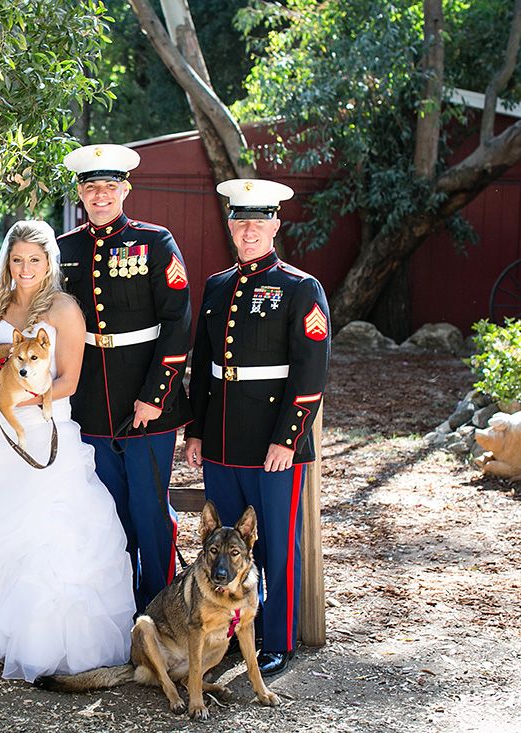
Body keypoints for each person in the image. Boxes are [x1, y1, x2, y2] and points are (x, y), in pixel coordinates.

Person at [0, 220, 135, 683]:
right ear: (8, 262)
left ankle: (45, 641)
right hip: (0, 434)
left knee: (49, 534)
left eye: (34, 260)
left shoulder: (63, 309)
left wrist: (26, 399)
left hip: (47, 430)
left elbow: (70, 381)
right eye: (17, 260)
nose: (24, 268)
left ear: (48, 263)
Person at [184, 178, 331, 677]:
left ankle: (277, 639)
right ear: (230, 224)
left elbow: (310, 373)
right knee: (222, 549)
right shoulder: (218, 285)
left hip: (274, 445)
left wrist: (287, 439)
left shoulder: (300, 287)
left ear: (275, 224)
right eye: (239, 220)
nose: (248, 230)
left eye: (258, 221)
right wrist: (197, 432)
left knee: (275, 546)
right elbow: (204, 365)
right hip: (223, 443)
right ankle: (229, 633)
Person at [57, 144, 193, 614]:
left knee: (151, 515)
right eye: (91, 187)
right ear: (80, 192)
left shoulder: (156, 242)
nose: (100, 195)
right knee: (108, 514)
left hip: (148, 402)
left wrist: (155, 395)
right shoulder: (65, 248)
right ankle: (119, 613)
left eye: (109, 186)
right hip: (91, 401)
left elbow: (177, 321)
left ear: (125, 190)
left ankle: (160, 611)